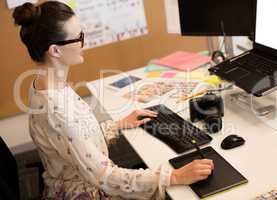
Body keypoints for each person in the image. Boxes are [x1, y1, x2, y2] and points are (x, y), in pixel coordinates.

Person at [12, 1, 214, 200]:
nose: (84, 42)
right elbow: (104, 177)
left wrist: (117, 125)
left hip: (73, 179)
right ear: (55, 50)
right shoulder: (57, 109)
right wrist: (174, 176)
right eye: (79, 37)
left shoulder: (43, 84)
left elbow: (74, 140)